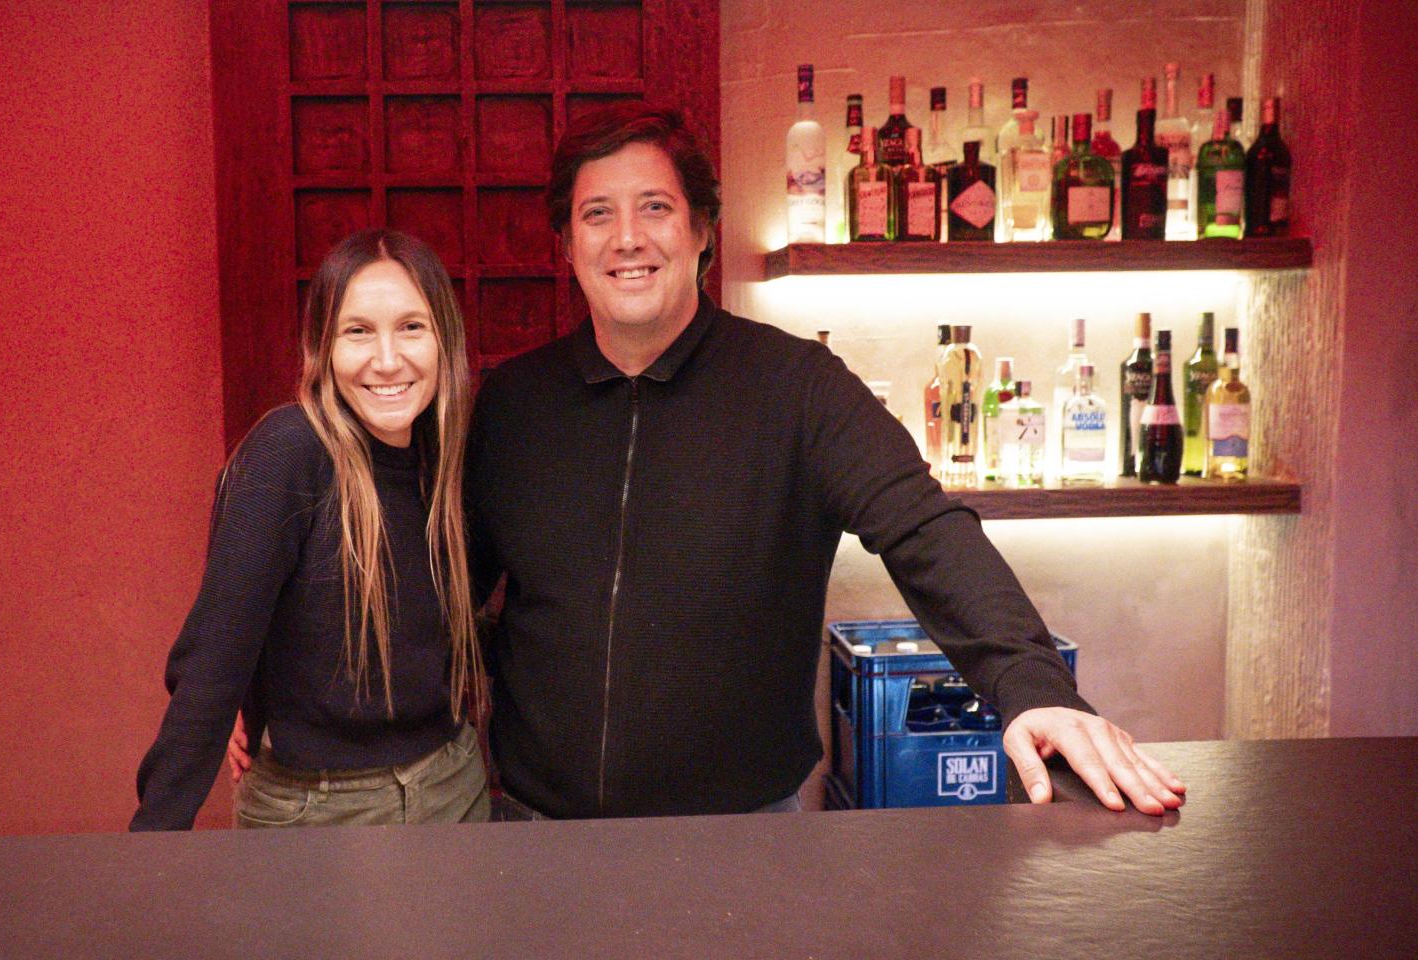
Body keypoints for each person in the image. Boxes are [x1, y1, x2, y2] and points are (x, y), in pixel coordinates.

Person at [463, 102, 1184, 820]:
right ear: (565, 242)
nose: (626, 238)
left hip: (745, 838)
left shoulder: (797, 386)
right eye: (596, 214)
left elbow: (924, 528)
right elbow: (447, 587)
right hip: (536, 831)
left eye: (654, 207)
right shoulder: (515, 404)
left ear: (702, 230)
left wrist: (1034, 685)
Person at [130, 229, 489, 830]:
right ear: (320, 347)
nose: (387, 359)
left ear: (443, 338)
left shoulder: (447, 454)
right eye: (357, 331)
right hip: (320, 810)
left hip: (454, 785)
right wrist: (153, 848)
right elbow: (213, 660)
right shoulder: (289, 453)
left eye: (411, 327)